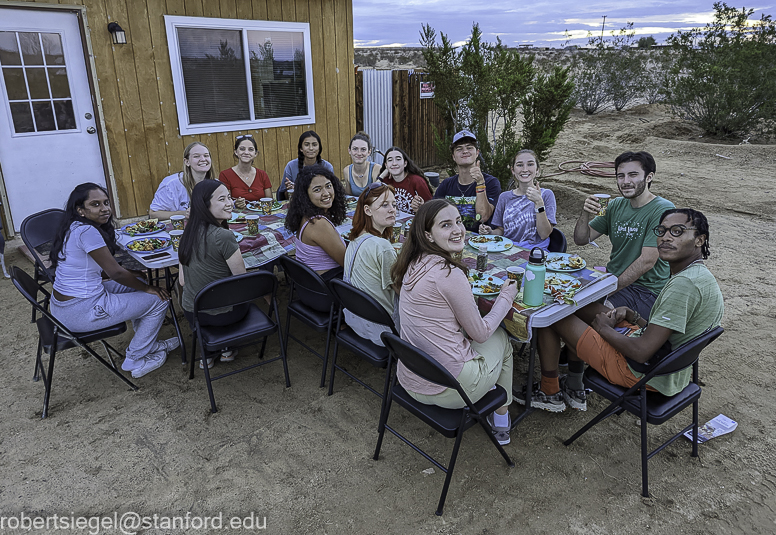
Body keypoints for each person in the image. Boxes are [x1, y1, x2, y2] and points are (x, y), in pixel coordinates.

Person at [519, 208, 723, 413]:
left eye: (677, 231)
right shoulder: (698, 275)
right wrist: (635, 317)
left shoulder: (684, 285)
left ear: (700, 240)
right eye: (662, 231)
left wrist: (603, 329)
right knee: (579, 305)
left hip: (640, 372)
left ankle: (550, 391)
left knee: (551, 312)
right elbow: (669, 334)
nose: (666, 237)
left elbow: (641, 352)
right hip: (664, 364)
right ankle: (574, 386)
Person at [391, 199, 519, 445]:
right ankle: (501, 418)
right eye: (446, 225)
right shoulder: (449, 273)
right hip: (451, 390)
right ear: (428, 235)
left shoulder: (411, 262)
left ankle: (491, 391)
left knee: (471, 333)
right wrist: (506, 295)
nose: (458, 229)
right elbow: (481, 334)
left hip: (410, 379)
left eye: (459, 221)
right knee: (501, 337)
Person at [48, 183, 175, 379]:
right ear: (80, 210)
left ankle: (146, 344)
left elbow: (98, 271)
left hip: (64, 306)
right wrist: (148, 288)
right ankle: (135, 358)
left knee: (137, 278)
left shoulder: (73, 226)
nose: (104, 208)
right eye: (95, 204)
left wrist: (135, 276)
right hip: (80, 310)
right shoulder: (87, 232)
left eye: (106, 203)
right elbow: (116, 273)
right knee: (159, 299)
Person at [574, 151, 675, 320]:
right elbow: (581, 239)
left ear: (649, 177)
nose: (626, 181)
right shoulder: (615, 205)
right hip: (613, 280)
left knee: (595, 315)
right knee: (567, 301)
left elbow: (647, 261)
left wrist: (608, 291)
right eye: (621, 176)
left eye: (633, 175)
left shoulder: (662, 209)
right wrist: (585, 213)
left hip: (646, 290)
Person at [178, 180, 247, 369]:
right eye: (222, 199)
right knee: (247, 296)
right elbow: (242, 281)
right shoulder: (223, 236)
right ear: (204, 205)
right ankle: (226, 347)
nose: (230, 203)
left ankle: (208, 352)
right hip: (223, 315)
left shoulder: (186, 235)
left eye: (229, 197)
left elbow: (182, 281)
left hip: (192, 312)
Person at [343, 182, 400, 346]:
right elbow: (402, 291)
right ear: (367, 210)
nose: (392, 209)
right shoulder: (382, 247)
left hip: (356, 320)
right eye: (384, 205)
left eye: (394, 204)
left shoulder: (354, 239)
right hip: (384, 331)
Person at [285, 165, 347, 308]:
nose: (326, 193)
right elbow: (348, 263)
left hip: (310, 290)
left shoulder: (306, 216)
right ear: (305, 195)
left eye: (328, 186)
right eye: (317, 190)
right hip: (325, 295)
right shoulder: (318, 223)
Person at [479, 149, 557, 249]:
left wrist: (539, 203)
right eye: (520, 165)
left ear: (537, 170)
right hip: (507, 249)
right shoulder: (504, 197)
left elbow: (544, 234)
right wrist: (490, 232)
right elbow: (501, 231)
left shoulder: (546, 195)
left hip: (535, 251)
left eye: (530, 164)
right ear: (513, 170)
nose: (525, 169)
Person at [433, 130, 501, 231]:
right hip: (452, 236)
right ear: (453, 157)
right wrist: (420, 207)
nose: (465, 151)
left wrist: (480, 183)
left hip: (480, 239)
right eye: (459, 149)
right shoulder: (446, 184)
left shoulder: (491, 182)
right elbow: (433, 213)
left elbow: (483, 217)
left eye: (469, 148)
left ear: (477, 153)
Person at [149, 142, 214, 220]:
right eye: (196, 156)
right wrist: (183, 213)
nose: (203, 159)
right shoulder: (171, 184)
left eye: (206, 155)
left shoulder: (215, 184)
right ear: (187, 162)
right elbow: (153, 214)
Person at [218, 134, 272, 210]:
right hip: (237, 215)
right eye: (242, 149)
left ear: (255, 154)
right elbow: (224, 203)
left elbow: (270, 201)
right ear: (236, 152)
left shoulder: (262, 174)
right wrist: (234, 204)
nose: (246, 152)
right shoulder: (225, 175)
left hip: (261, 215)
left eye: (250, 149)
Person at [278, 131, 334, 200]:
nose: (311, 148)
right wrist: (291, 190)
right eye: (307, 145)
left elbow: (332, 192)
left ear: (319, 148)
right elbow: (284, 196)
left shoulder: (327, 167)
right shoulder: (291, 166)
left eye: (314, 145)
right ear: (301, 148)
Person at [378, 146, 432, 214]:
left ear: (405, 163)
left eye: (398, 159)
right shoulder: (386, 181)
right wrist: (382, 176)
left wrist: (421, 207)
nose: (394, 163)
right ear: (386, 165)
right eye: (390, 160)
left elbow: (431, 208)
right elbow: (372, 197)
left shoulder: (417, 181)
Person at [343, 131, 381, 197]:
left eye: (363, 149)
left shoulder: (376, 169)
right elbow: (349, 197)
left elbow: (376, 195)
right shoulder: (347, 171)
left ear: (369, 152)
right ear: (349, 150)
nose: (359, 153)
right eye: (355, 149)